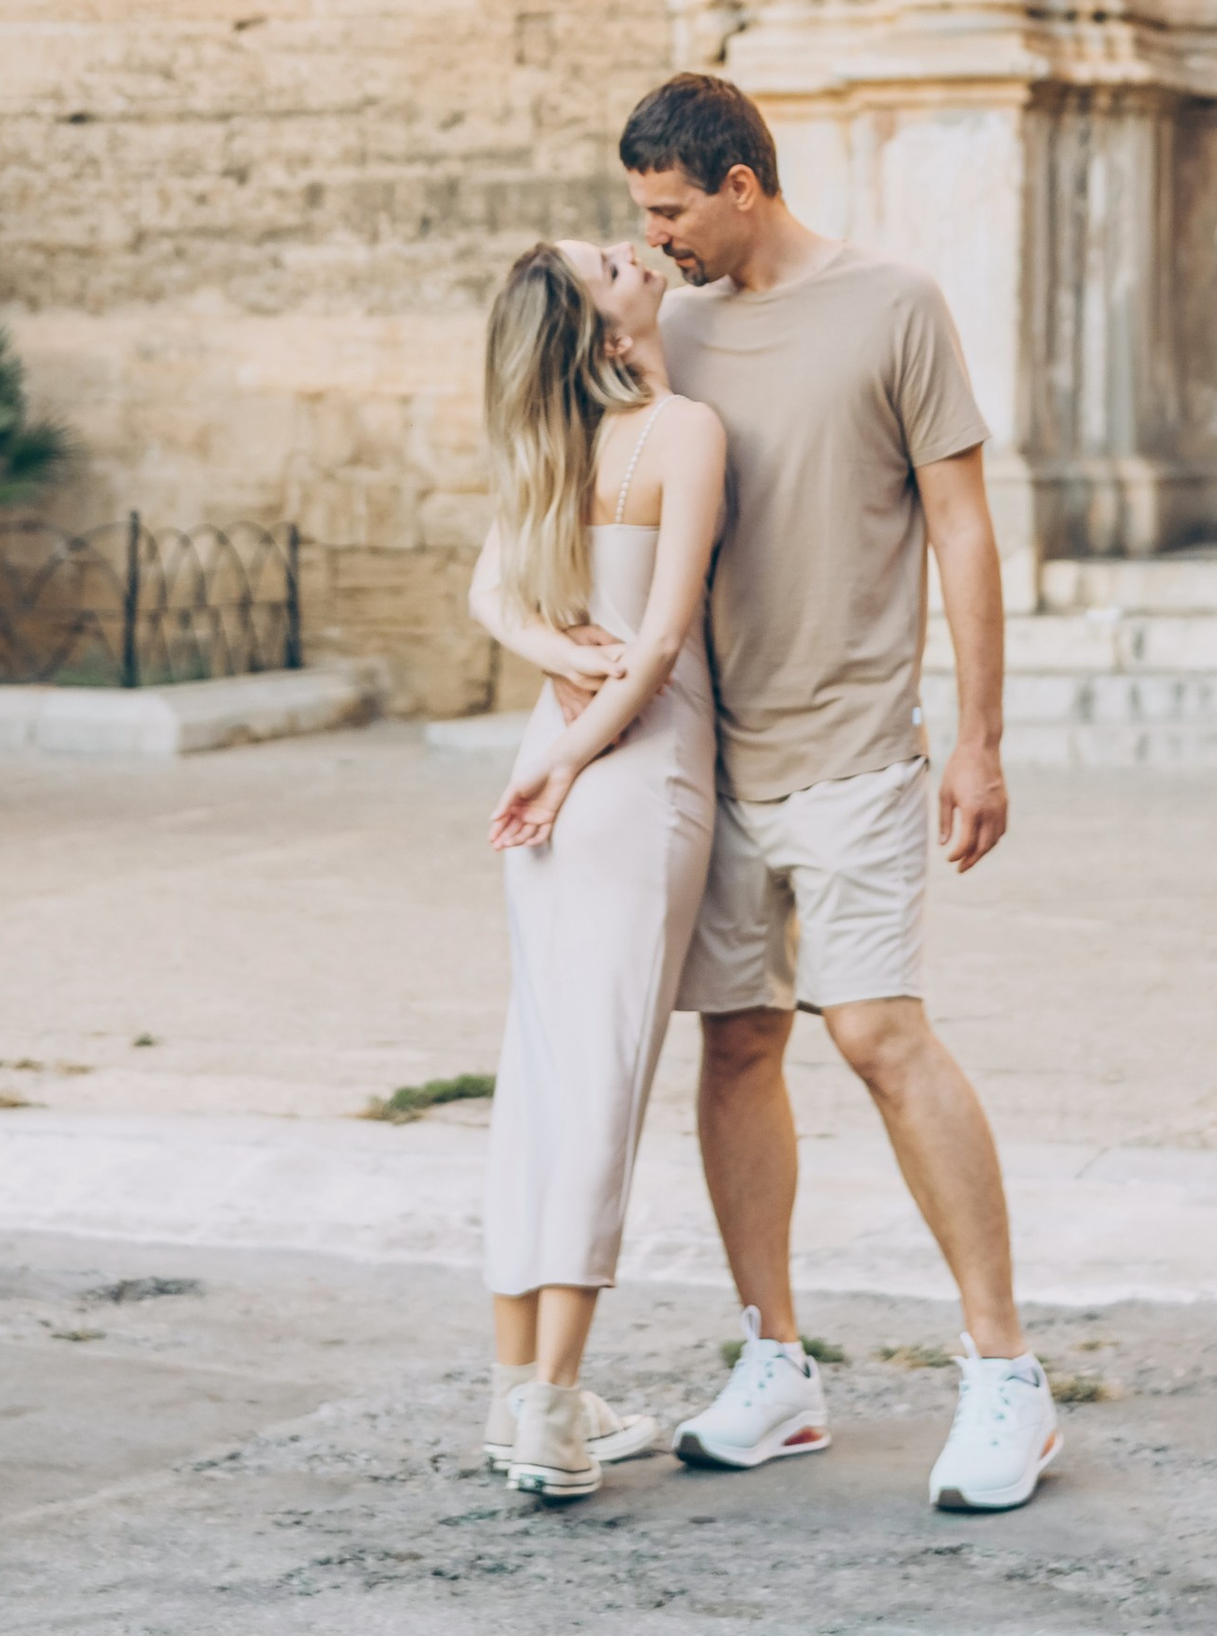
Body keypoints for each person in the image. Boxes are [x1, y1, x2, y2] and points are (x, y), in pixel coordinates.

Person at [621, 69, 1061, 1514]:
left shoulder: (893, 306)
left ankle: (1005, 1374)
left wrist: (981, 739)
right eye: (645, 214)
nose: (659, 236)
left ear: (741, 186)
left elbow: (964, 529)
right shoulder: (669, 328)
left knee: (875, 1033)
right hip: (713, 753)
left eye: (673, 211)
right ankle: (777, 1363)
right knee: (737, 1044)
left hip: (861, 744)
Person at [467, 236, 726, 1502]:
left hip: (556, 755)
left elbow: (489, 594)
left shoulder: (548, 445)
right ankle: (555, 1412)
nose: (626, 248)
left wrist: (552, 724)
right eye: (601, 262)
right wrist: (574, 760)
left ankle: (515, 1384)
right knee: (604, 1079)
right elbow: (664, 638)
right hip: (633, 768)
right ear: (596, 323)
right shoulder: (682, 431)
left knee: (543, 1068)